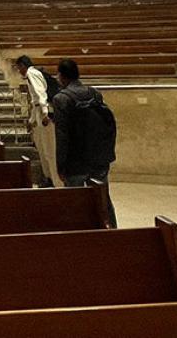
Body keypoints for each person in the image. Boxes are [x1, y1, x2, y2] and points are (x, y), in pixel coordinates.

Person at [51, 57, 117, 227]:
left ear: (62, 76)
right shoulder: (94, 93)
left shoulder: (61, 99)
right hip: (99, 157)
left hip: (75, 161)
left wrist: (61, 166)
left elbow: (62, 135)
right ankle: (113, 234)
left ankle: (79, 237)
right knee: (103, 201)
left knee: (75, 203)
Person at [13, 55, 62, 187]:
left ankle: (56, 181)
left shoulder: (32, 73)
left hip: (44, 114)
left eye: (19, 68)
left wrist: (45, 113)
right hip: (39, 113)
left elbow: (41, 94)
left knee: (49, 150)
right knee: (43, 150)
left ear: (23, 66)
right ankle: (49, 178)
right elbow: (35, 102)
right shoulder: (32, 74)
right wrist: (32, 120)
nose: (19, 71)